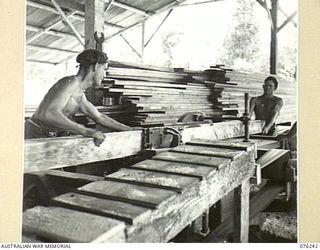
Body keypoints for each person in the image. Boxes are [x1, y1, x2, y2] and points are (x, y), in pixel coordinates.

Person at [25, 49, 137, 146]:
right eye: (104, 69)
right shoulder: (69, 83)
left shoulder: (79, 93)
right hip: (34, 134)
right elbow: (49, 114)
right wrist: (88, 131)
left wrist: (130, 130)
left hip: (48, 136)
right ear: (96, 66)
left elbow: (99, 117)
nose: (105, 75)